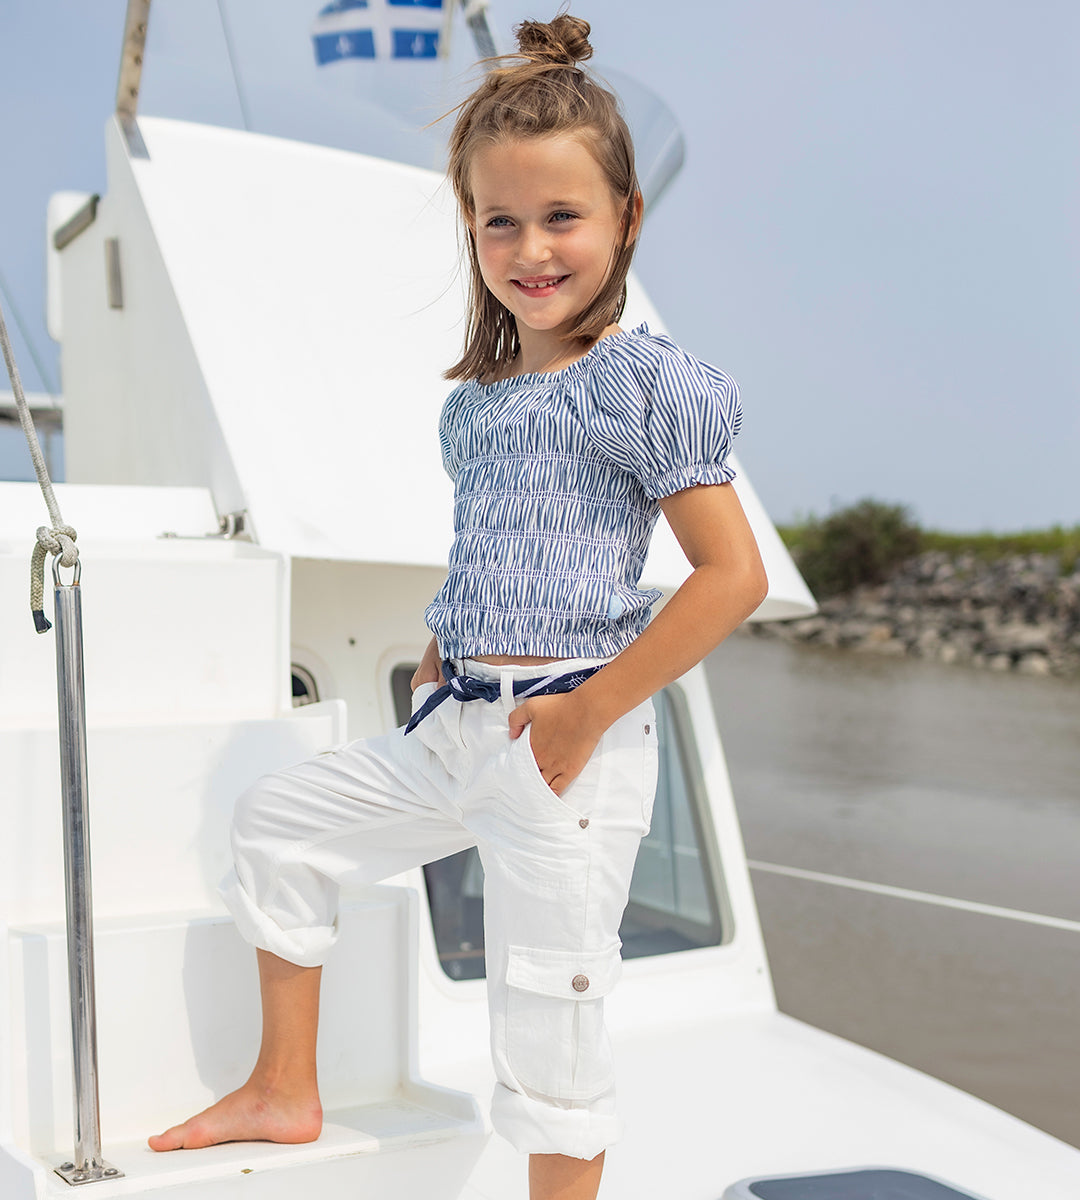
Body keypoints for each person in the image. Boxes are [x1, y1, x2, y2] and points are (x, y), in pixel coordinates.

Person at [148, 12, 767, 1200]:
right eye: (500, 221)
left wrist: (587, 715)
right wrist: (450, 630)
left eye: (563, 217)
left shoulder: (647, 384)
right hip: (460, 722)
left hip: (567, 742)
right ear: (471, 229)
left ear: (626, 221)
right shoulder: (477, 404)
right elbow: (508, 534)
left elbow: (728, 576)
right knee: (278, 825)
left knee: (551, 1033)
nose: (531, 248)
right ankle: (284, 1088)